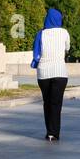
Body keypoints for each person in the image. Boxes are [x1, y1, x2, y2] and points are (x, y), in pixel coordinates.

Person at [31, 8, 70, 141]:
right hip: (60, 72)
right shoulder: (64, 33)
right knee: (56, 103)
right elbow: (67, 48)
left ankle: (49, 131)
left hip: (43, 73)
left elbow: (36, 51)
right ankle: (54, 132)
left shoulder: (40, 34)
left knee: (47, 102)